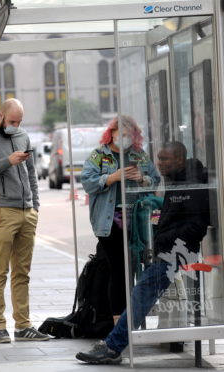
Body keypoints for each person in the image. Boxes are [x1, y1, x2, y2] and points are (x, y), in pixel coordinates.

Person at [76, 141, 211, 365]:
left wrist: (163, 240)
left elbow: (196, 226)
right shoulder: (177, 179)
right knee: (141, 290)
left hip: (177, 250)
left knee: (142, 292)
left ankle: (112, 346)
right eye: (158, 158)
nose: (158, 163)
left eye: (164, 159)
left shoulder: (191, 183)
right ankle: (113, 343)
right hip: (167, 248)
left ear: (179, 159)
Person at [0, 98, 49, 343]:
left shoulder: (23, 136)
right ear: (1, 115)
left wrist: (35, 205)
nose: (16, 125)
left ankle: (23, 325)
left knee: (22, 273)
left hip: (27, 212)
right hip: (2, 211)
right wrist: (8, 161)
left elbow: (32, 173)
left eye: (20, 121)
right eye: (12, 121)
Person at [81, 115, 160, 323]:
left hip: (137, 218)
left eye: (129, 135)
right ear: (112, 133)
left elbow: (155, 180)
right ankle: (120, 322)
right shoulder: (99, 155)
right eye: (121, 134)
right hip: (110, 220)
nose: (124, 139)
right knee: (119, 269)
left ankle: (132, 318)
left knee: (135, 267)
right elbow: (87, 182)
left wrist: (142, 179)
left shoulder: (139, 156)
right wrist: (112, 178)